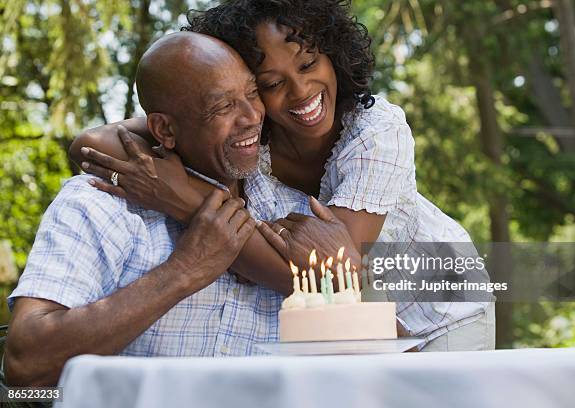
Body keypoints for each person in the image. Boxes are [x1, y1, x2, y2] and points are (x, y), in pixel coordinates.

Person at [71, 0, 495, 351]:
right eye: (271, 83)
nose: (301, 91)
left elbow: (327, 276)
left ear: (333, 52)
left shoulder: (375, 132)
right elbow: (92, 143)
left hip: (441, 309)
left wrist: (186, 198)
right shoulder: (249, 129)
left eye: (309, 63)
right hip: (360, 327)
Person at [5, 32, 356, 387]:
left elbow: (398, 350)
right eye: (223, 106)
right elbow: (26, 366)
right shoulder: (99, 202)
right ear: (164, 129)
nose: (252, 117)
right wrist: (185, 270)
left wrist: (352, 278)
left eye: (253, 93)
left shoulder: (301, 213)